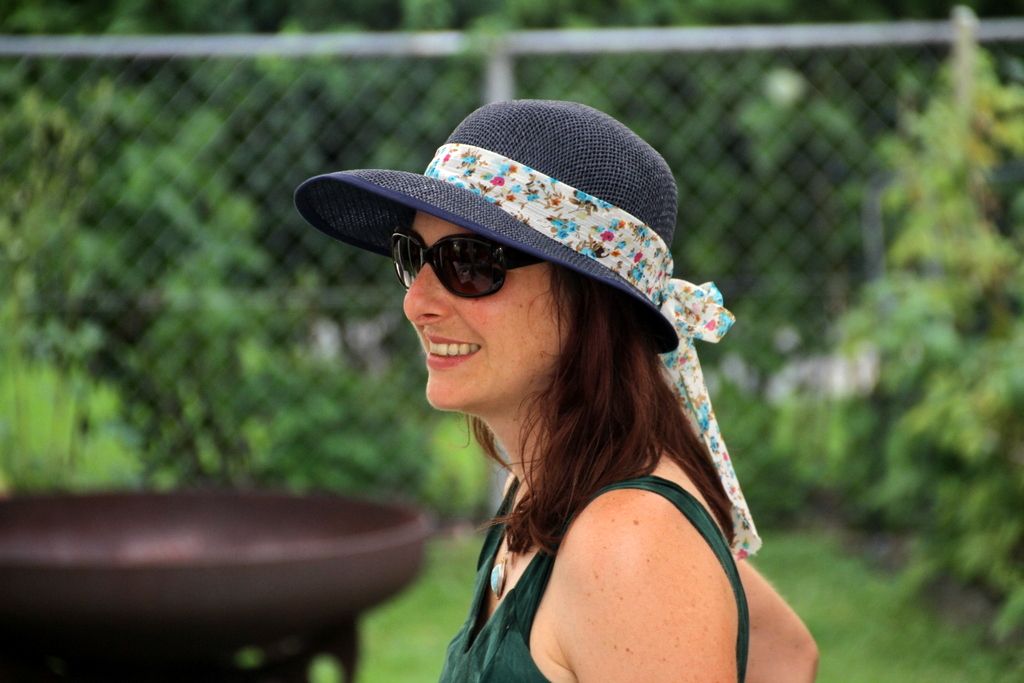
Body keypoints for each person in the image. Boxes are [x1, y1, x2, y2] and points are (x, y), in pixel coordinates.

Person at [295, 99, 817, 682]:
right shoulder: (550, 480)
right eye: (412, 256)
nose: (416, 302)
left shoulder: (627, 546)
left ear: (590, 302)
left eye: (468, 263)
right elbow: (783, 651)